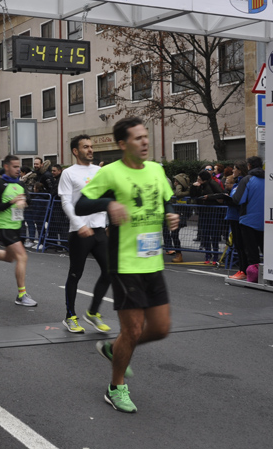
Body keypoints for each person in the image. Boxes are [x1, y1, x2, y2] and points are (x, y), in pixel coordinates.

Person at [75, 117, 178, 414]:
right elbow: (81, 204)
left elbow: (167, 198)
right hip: (125, 263)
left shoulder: (156, 170)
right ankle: (115, 387)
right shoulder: (110, 173)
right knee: (132, 331)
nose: (145, 142)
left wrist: (170, 213)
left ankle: (113, 347)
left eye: (146, 136)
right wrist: (108, 204)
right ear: (122, 144)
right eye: (137, 138)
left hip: (152, 261)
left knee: (160, 328)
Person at [58, 134, 112, 333]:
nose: (90, 150)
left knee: (110, 271)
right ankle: (70, 316)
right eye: (85, 147)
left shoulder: (100, 171)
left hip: (99, 230)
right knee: (75, 274)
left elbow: (107, 198)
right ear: (75, 151)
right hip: (79, 232)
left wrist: (109, 223)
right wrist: (79, 224)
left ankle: (92, 312)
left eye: (91, 147)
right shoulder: (68, 173)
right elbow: (66, 203)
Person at [0, 155, 38, 307]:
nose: (18, 170)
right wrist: (11, 202)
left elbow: (28, 200)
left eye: (19, 167)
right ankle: (21, 295)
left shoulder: (20, 184)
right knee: (22, 257)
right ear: (6, 167)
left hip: (17, 226)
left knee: (10, 258)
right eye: (15, 167)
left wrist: (24, 200)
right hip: (3, 226)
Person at [232, 156, 265, 282]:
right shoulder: (269, 178)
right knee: (265, 248)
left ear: (249, 166)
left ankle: (253, 276)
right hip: (265, 221)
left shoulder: (247, 179)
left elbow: (238, 199)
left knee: (251, 251)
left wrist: (233, 194)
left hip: (248, 220)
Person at [190, 170, 225, 264]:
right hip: (203, 212)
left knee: (214, 234)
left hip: (213, 212)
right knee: (205, 234)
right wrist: (193, 187)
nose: (197, 180)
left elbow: (221, 194)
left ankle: (215, 255)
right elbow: (192, 195)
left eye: (199, 179)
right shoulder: (199, 185)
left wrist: (208, 197)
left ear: (204, 180)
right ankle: (207, 254)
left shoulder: (213, 184)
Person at [225, 162, 249, 280]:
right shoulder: (237, 184)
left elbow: (239, 200)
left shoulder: (243, 183)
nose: (233, 171)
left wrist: (230, 200)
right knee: (238, 245)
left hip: (238, 216)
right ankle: (242, 270)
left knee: (241, 245)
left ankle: (244, 270)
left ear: (240, 170)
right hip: (233, 216)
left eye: (235, 169)